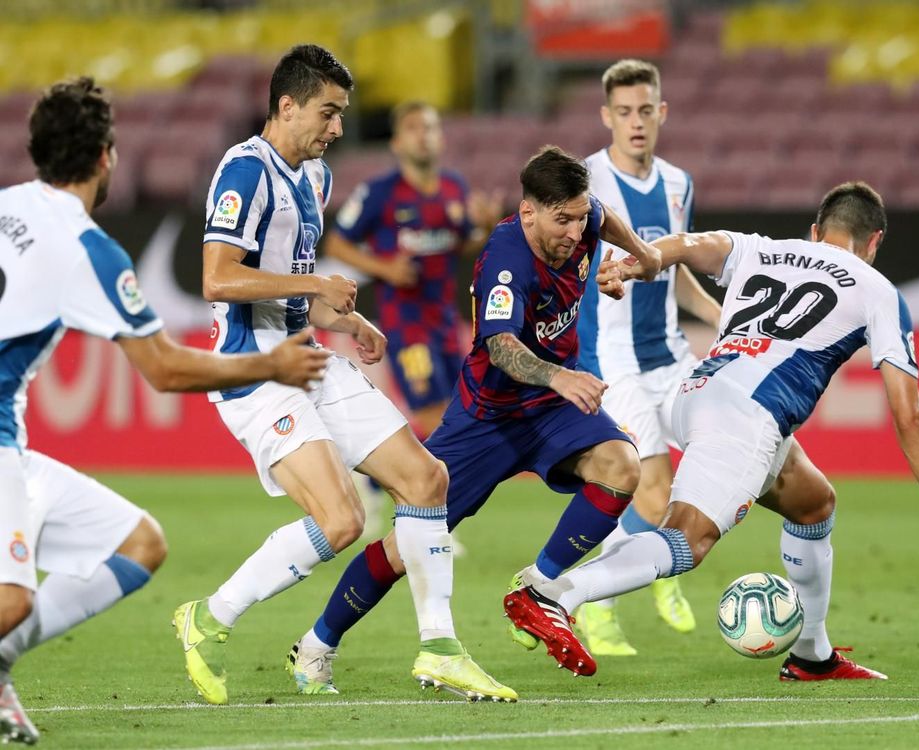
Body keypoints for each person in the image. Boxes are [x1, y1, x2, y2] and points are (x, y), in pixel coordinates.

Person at [504, 182, 919, 680]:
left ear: (815, 231)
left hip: (699, 389)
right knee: (687, 540)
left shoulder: (763, 249)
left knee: (813, 503)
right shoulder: (878, 291)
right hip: (745, 417)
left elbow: (689, 245)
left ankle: (811, 654)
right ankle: (554, 595)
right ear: (874, 241)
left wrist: (645, 261)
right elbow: (910, 415)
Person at [171, 44, 511, 707]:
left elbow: (299, 288)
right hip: (253, 366)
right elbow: (217, 277)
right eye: (327, 113)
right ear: (287, 106)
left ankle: (440, 647)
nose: (338, 128)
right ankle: (210, 617)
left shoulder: (315, 179)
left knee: (427, 479)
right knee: (340, 519)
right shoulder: (245, 170)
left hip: (309, 355)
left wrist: (347, 318)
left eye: (342, 114)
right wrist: (316, 285)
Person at [0, 77, 329, 745]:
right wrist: (267, 366)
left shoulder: (7, 205)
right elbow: (164, 368)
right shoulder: (87, 249)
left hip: (16, 445)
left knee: (139, 542)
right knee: (10, 600)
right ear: (106, 158)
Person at [285, 145, 664, 694]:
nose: (575, 231)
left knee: (622, 466)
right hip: (488, 419)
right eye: (563, 220)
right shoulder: (506, 261)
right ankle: (316, 645)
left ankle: (536, 589)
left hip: (550, 408)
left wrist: (641, 253)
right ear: (528, 212)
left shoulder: (583, 220)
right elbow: (500, 346)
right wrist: (560, 376)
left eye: (580, 217)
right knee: (404, 547)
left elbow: (603, 218)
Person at [573, 59, 721, 656]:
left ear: (661, 113)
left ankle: (657, 562)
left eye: (644, 111)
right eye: (623, 112)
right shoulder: (587, 181)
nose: (635, 122)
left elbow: (675, 270)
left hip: (670, 353)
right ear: (606, 116)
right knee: (654, 492)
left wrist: (717, 315)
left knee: (716, 460)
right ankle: (598, 604)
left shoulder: (680, 184)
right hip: (614, 358)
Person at [325, 100, 501, 440]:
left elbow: (461, 244)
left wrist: (486, 229)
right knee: (434, 415)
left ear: (441, 139)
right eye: (413, 128)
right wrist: (385, 268)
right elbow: (335, 244)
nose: (423, 136)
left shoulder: (454, 187)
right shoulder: (379, 193)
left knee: (461, 412)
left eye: (429, 128)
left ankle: (403, 469)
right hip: (406, 326)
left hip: (446, 323)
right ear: (396, 143)